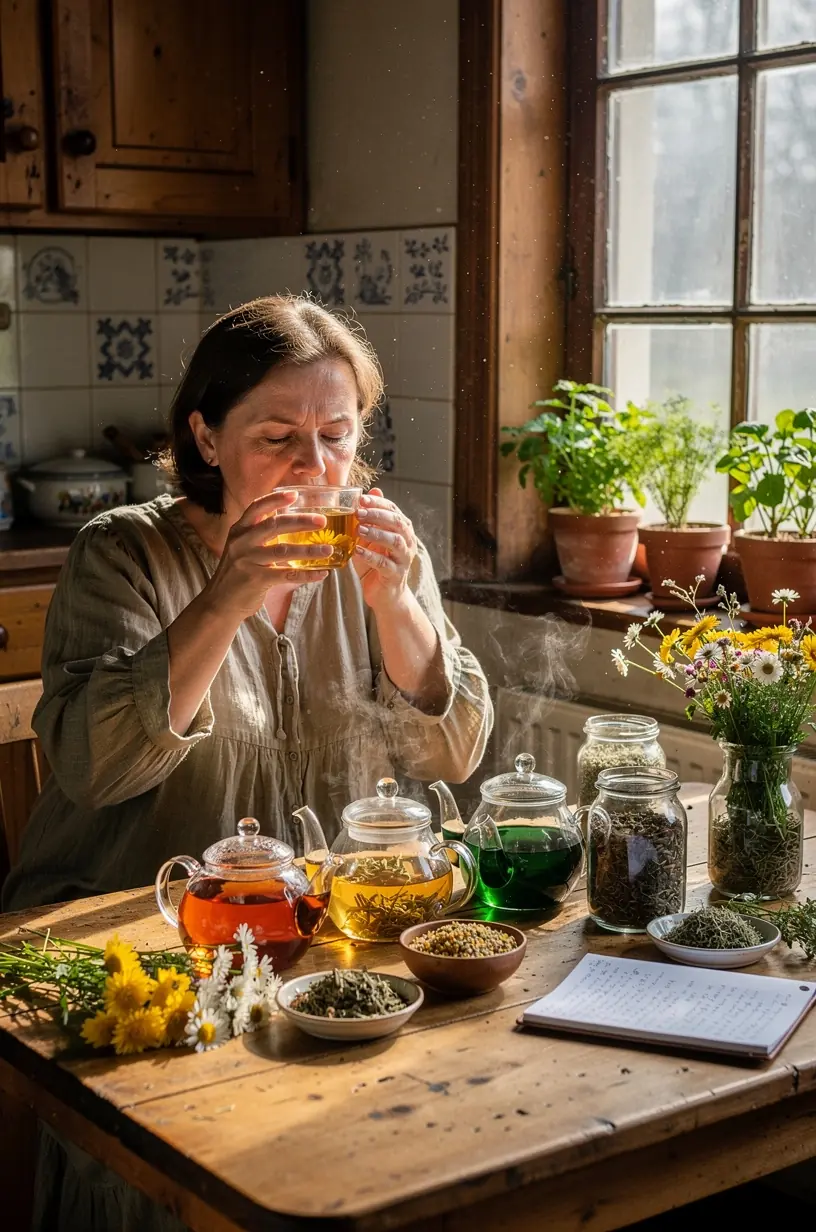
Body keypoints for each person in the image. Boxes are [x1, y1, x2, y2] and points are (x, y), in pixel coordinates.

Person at [2, 295, 493, 1230]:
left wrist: (397, 608)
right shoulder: (123, 556)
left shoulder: (380, 550)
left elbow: (456, 752)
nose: (315, 468)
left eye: (337, 437)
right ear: (207, 434)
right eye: (279, 436)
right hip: (135, 957)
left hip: (313, 953)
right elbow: (96, 767)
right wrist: (229, 595)